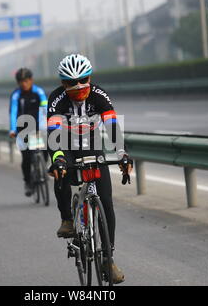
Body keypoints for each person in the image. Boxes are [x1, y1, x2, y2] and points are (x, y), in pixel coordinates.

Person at [47, 54, 133, 284]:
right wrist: (58, 159)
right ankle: (67, 218)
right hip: (65, 147)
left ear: (90, 77)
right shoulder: (56, 99)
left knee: (106, 200)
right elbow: (53, 136)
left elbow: (112, 125)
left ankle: (108, 258)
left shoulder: (99, 95)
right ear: (63, 83)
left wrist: (122, 154)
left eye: (82, 80)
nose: (77, 87)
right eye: (71, 83)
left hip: (92, 147)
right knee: (60, 171)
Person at [9, 68, 48, 196]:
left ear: (31, 80)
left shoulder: (39, 92)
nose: (23, 84)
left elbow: (44, 109)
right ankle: (27, 181)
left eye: (26, 81)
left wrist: (44, 126)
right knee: (26, 157)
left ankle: (42, 168)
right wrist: (13, 129)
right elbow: (13, 112)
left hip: (38, 126)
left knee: (44, 150)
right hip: (22, 129)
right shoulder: (16, 95)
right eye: (20, 81)